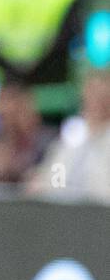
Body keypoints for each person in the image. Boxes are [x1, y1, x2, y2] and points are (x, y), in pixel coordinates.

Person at [27, 68, 110, 202]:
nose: (96, 102)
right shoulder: (73, 134)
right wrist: (42, 182)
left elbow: (103, 189)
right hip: (66, 212)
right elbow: (56, 178)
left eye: (102, 96)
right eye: (91, 95)